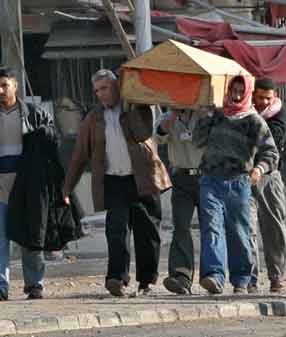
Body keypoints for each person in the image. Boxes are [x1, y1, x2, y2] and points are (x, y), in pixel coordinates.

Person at [63, 69, 171, 297]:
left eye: (105, 88)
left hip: (142, 179)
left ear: (117, 87)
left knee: (147, 231)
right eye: (97, 90)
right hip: (113, 182)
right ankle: (116, 278)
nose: (101, 94)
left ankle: (147, 281)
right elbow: (80, 155)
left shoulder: (137, 108)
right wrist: (67, 187)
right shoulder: (93, 119)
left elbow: (142, 133)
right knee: (116, 230)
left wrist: (131, 104)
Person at [193, 74, 279, 294]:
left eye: (242, 91)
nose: (237, 95)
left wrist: (259, 169)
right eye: (234, 90)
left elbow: (270, 151)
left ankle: (241, 279)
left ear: (248, 92)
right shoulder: (217, 115)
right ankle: (214, 276)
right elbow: (197, 141)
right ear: (228, 90)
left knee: (239, 231)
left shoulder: (253, 120)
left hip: (238, 182)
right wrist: (204, 116)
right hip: (211, 180)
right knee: (212, 228)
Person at [0, 67, 57, 300]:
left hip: (28, 185)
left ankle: (34, 284)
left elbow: (53, 140)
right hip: (0, 186)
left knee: (31, 236)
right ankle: (1, 286)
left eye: (4, 85)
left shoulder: (34, 113)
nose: (0, 90)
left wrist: (45, 131)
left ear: (15, 86)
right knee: (0, 239)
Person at [154, 108, 204, 295]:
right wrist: (172, 117)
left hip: (205, 176)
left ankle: (211, 275)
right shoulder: (168, 117)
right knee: (181, 225)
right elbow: (158, 138)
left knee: (209, 226)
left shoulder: (203, 115)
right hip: (181, 178)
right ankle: (181, 275)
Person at [248, 78, 286, 293]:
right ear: (253, 95)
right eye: (260, 97)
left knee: (274, 228)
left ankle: (276, 276)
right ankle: (250, 278)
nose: (263, 102)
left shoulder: (278, 115)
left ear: (274, 97)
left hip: (269, 177)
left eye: (267, 98)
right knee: (248, 229)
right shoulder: (241, 113)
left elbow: (271, 140)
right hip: (245, 177)